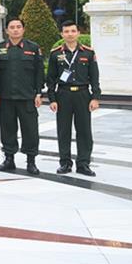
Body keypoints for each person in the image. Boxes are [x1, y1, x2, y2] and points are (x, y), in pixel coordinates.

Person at [47, 21, 101, 176]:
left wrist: (95, 97)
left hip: (83, 94)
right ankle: (65, 163)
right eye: (66, 31)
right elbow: (50, 79)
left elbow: (94, 77)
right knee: (63, 130)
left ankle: (83, 163)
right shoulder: (55, 53)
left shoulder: (88, 53)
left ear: (78, 33)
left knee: (84, 130)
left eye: (72, 31)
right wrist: (52, 99)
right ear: (62, 34)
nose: (69, 34)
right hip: (63, 94)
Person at [0, 18, 44, 175]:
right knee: (7, 129)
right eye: (12, 27)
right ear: (6, 30)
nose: (15, 30)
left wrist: (39, 93)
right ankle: (9, 159)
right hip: (6, 98)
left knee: (31, 130)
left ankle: (31, 161)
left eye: (18, 27)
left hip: (27, 97)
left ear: (23, 29)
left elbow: (39, 72)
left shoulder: (33, 48)